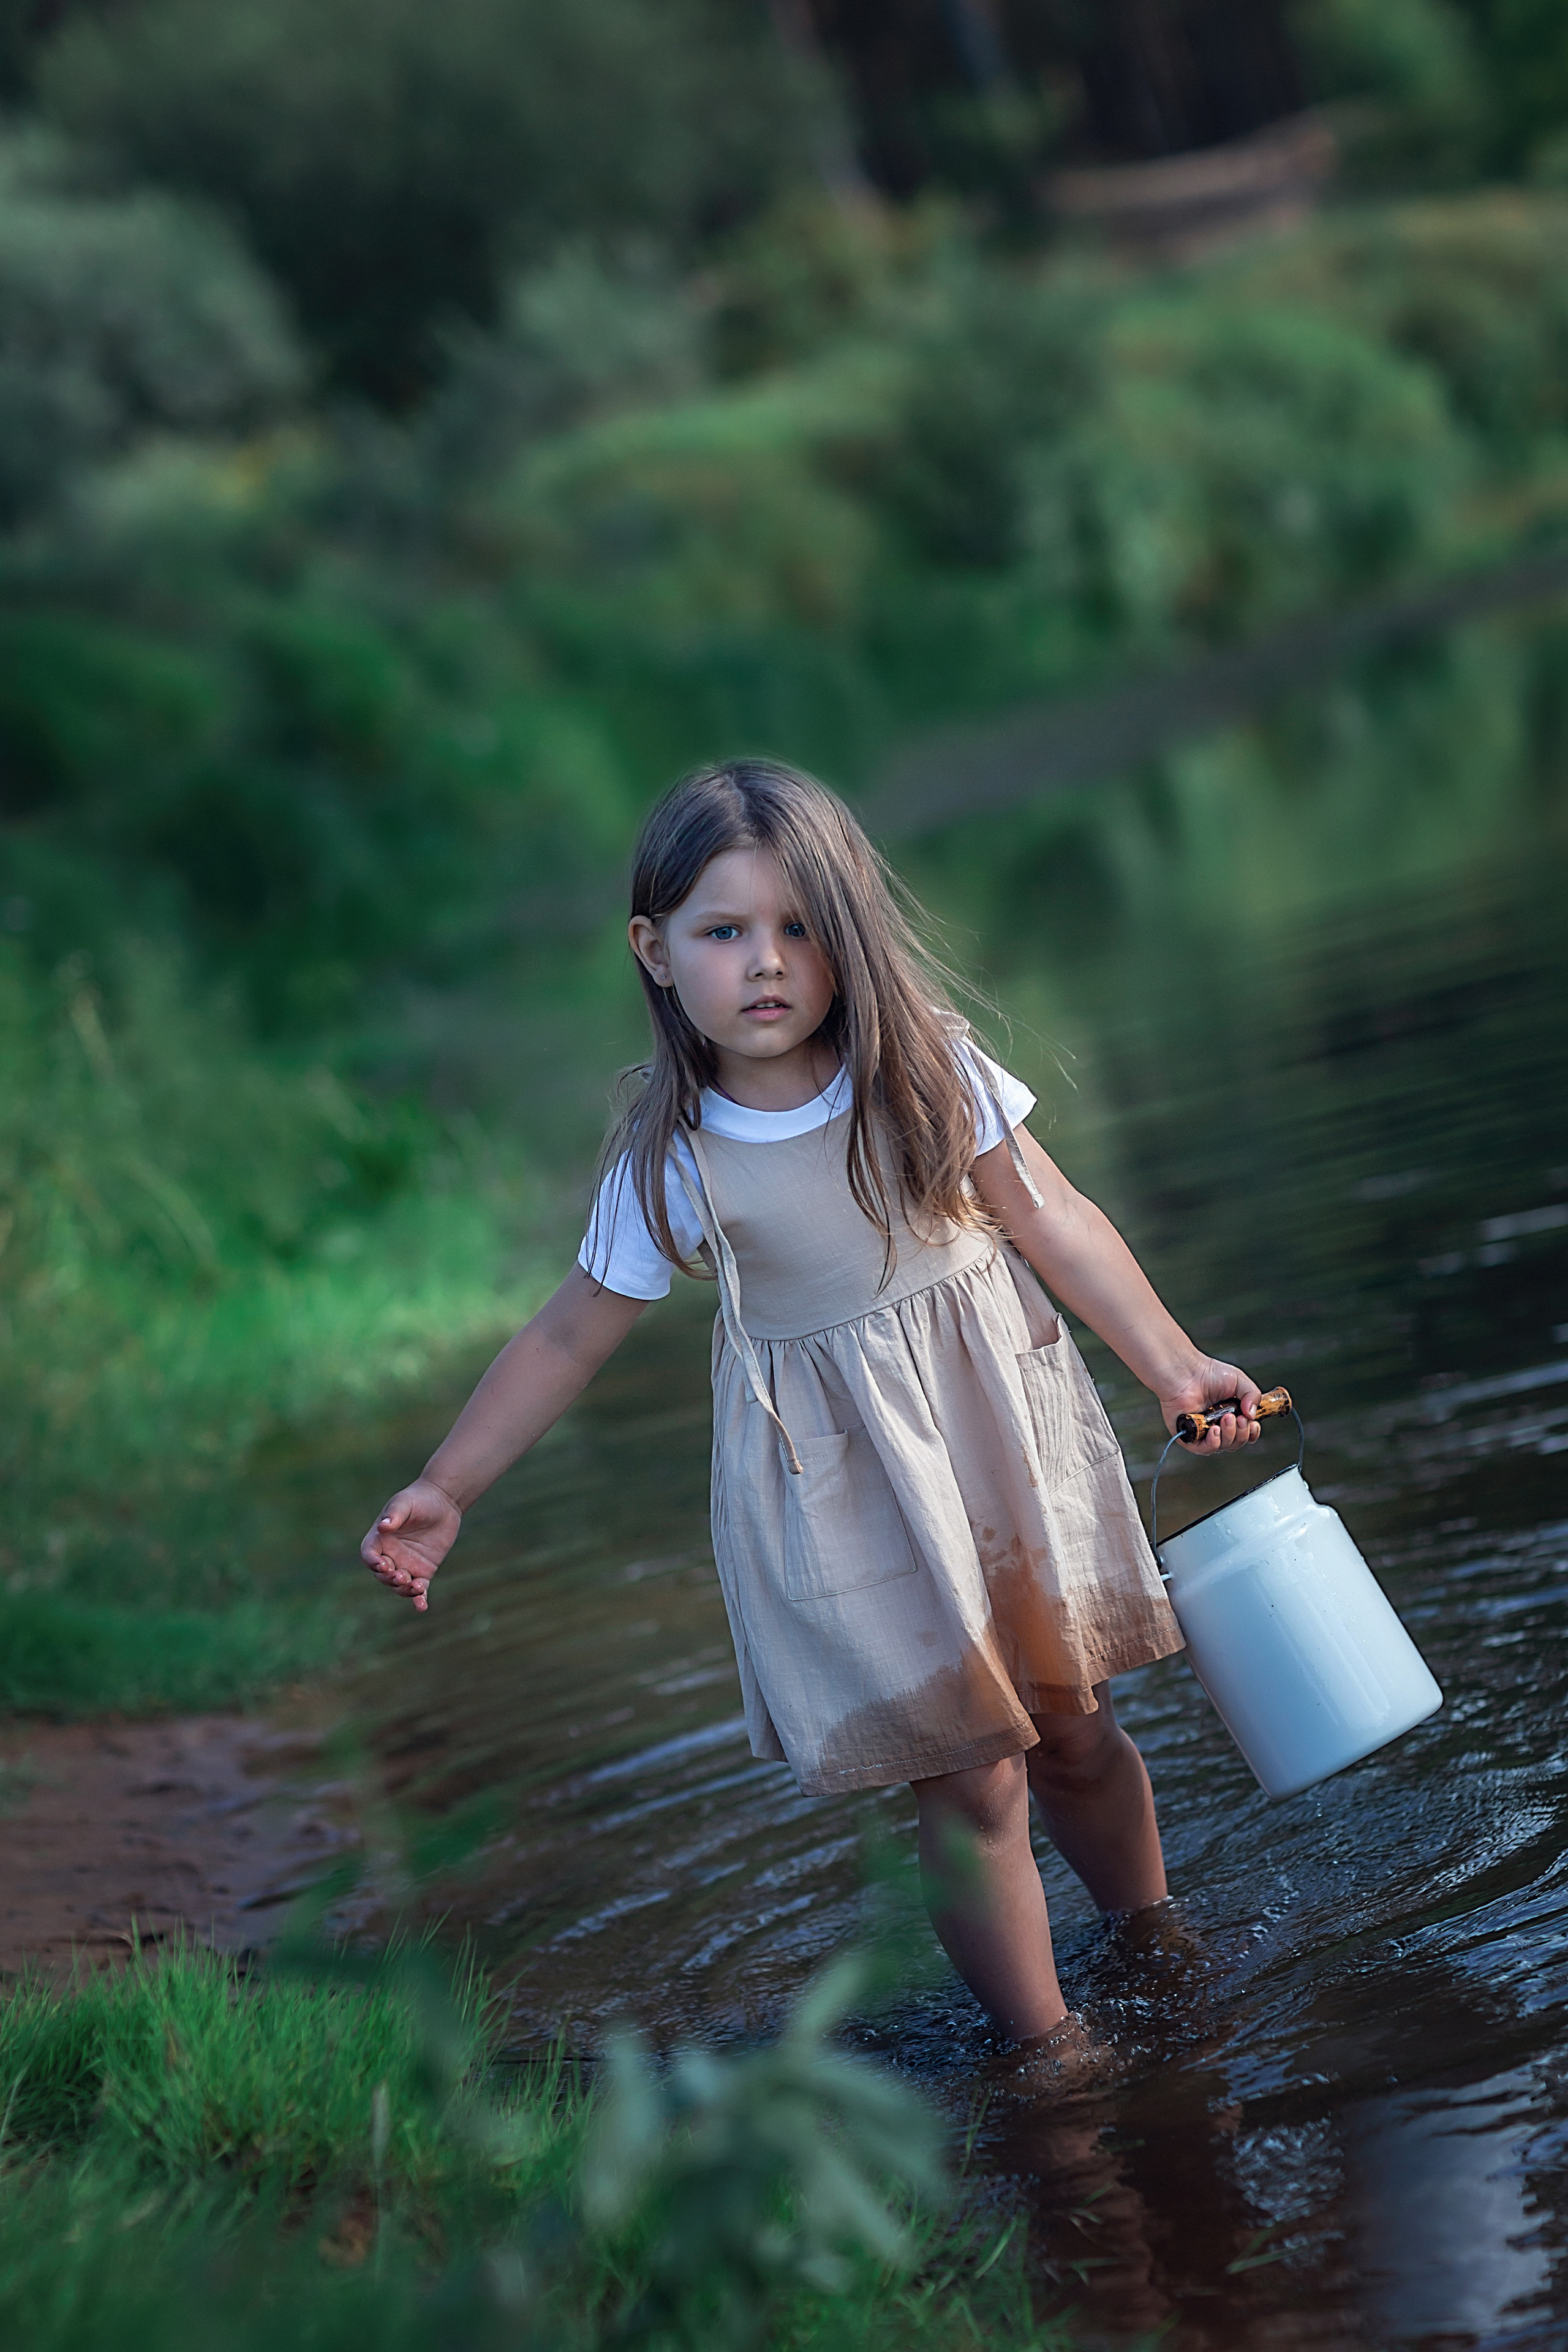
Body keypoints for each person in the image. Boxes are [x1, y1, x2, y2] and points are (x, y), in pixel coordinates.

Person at [361, 760, 1264, 2056]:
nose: (767, 963)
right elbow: (567, 1333)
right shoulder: (675, 1157)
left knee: (1074, 1729)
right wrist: (447, 1488)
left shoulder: (924, 1069)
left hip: (998, 1438)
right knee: (974, 1773)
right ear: (655, 952)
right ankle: (1050, 2056)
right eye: (724, 932)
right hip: (852, 1490)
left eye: (797, 927)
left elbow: (1053, 1220)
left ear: (846, 932)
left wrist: (1173, 1366)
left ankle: (1152, 1937)